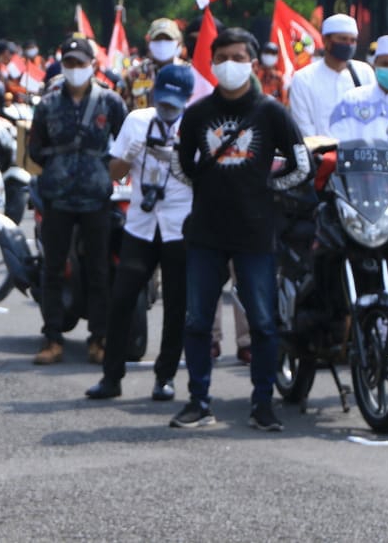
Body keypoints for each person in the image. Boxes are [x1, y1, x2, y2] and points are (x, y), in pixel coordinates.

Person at [169, 27, 310, 431]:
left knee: (263, 324)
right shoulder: (196, 113)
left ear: (251, 62)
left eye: (237, 57)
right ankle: (198, 401)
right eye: (221, 57)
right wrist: (208, 187)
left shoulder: (271, 112)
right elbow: (180, 164)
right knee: (197, 321)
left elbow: (302, 166)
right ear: (210, 64)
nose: (229, 64)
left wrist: (266, 188)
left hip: (255, 234)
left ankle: (262, 403)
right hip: (205, 233)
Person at [86, 64, 194, 402]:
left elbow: (205, 180)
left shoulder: (195, 126)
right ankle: (111, 377)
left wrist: (177, 158)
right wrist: (134, 152)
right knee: (122, 300)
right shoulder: (137, 120)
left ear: (187, 100)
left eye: (175, 104)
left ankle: (165, 377)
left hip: (179, 225)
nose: (167, 109)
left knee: (177, 304)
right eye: (163, 101)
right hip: (141, 225)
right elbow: (113, 172)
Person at [27, 36, 127, 365]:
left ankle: (99, 338)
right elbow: (35, 149)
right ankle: (52, 338)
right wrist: (61, 168)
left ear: (92, 66)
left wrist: (98, 170)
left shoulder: (110, 102)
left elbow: (124, 142)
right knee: (53, 268)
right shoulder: (48, 104)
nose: (74, 70)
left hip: (97, 196)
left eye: (80, 64)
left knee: (99, 270)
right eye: (68, 63)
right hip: (57, 196)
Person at [327, 34, 388, 344]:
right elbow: (338, 142)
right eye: (384, 64)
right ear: (374, 63)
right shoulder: (354, 100)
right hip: (357, 194)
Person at [287, 13, 375, 136]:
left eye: (353, 40)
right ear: (325, 40)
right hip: (319, 152)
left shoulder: (364, 73)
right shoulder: (303, 79)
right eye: (342, 39)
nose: (348, 44)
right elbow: (303, 126)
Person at [119, 18, 186, 110]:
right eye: (157, 39)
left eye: (168, 39)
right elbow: (123, 108)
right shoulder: (133, 75)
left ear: (178, 43)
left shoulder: (188, 73)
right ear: (149, 42)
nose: (162, 43)